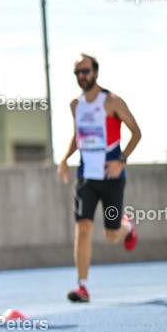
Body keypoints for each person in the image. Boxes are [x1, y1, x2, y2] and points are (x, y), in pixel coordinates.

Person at [57, 53, 141, 302]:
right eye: (77, 73)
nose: (82, 76)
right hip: (86, 178)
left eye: (86, 71)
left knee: (111, 235)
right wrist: (64, 159)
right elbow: (78, 135)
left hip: (111, 177)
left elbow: (136, 132)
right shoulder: (75, 104)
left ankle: (127, 227)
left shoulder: (112, 101)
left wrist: (121, 159)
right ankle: (82, 286)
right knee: (83, 228)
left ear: (95, 72)